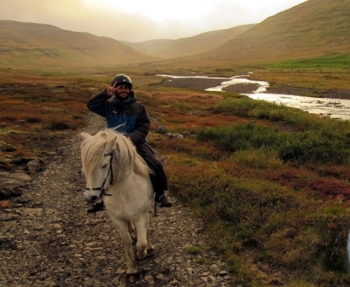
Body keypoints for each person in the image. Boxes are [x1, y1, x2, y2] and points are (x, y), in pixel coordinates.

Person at [86, 74, 173, 212]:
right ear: (114, 89)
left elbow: (144, 125)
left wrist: (132, 138)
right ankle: (99, 197)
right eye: (120, 87)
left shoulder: (138, 107)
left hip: (135, 143)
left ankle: (161, 193)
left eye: (126, 88)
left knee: (156, 163)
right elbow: (91, 105)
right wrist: (105, 94)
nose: (123, 90)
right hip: (113, 145)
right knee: (100, 166)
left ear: (130, 90)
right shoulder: (108, 106)